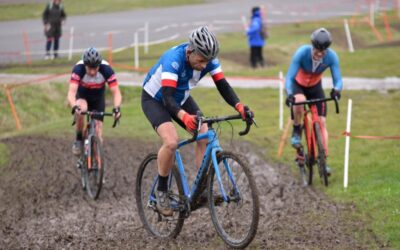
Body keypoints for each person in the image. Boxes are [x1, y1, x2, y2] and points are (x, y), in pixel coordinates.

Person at [141, 26, 254, 216]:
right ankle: (161, 191)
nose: (204, 65)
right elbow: (168, 99)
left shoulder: (207, 58)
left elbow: (223, 86)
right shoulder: (173, 60)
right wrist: (184, 117)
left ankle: (201, 190)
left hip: (181, 97)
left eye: (207, 61)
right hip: (156, 99)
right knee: (171, 142)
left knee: (204, 133)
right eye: (201, 60)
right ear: (190, 50)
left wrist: (240, 107)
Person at [285, 28, 343, 174]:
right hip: (298, 86)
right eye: (317, 49)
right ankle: (297, 130)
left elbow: (338, 79)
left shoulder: (331, 57)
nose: (319, 53)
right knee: (299, 101)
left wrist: (336, 89)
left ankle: (323, 160)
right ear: (312, 46)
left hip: (316, 88)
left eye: (323, 51)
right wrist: (290, 93)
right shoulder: (302, 53)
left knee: (322, 122)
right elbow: (289, 77)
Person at [68, 47, 122, 156]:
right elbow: (71, 92)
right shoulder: (79, 69)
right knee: (81, 109)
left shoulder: (106, 69)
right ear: (85, 65)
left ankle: (96, 162)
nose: (92, 72)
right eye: (89, 68)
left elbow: (116, 92)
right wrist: (74, 106)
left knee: (98, 132)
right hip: (82, 97)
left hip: (98, 100)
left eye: (95, 68)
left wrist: (116, 109)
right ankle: (78, 140)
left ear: (99, 65)